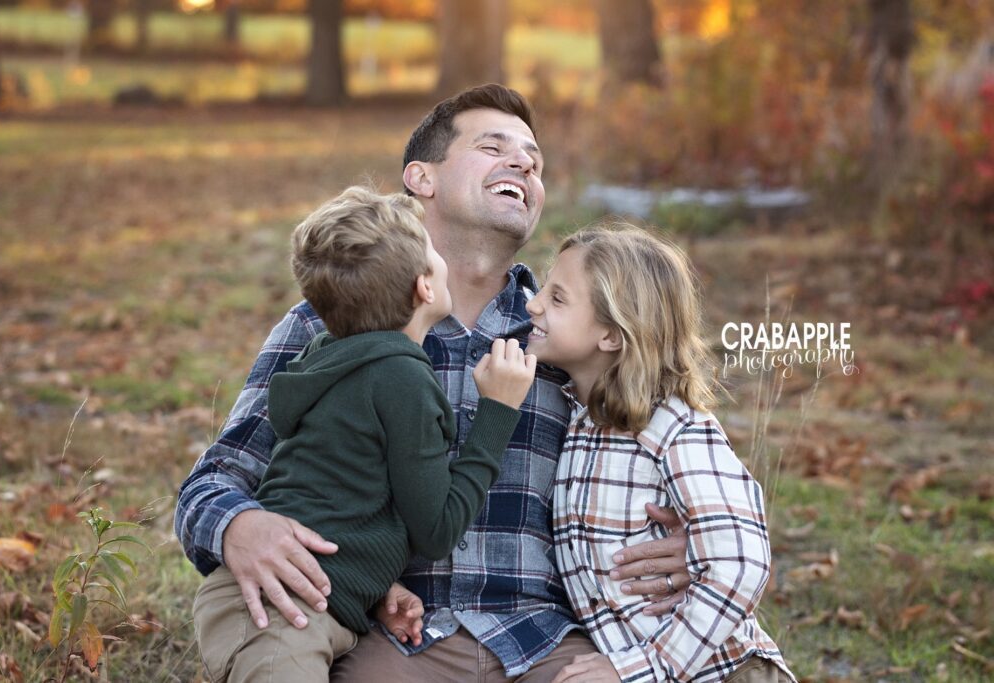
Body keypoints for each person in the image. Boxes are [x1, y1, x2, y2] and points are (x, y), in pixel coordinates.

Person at [175, 84, 693, 680]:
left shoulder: (575, 333)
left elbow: (680, 465)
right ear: (421, 179)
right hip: (396, 634)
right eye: (493, 147)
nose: (523, 164)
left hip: (542, 636)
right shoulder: (331, 324)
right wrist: (237, 525)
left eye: (534, 160)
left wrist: (692, 547)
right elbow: (215, 479)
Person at [191, 186, 537, 681]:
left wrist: (370, 586)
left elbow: (340, 496)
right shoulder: (402, 378)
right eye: (433, 252)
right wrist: (497, 414)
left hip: (310, 604)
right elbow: (437, 530)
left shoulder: (327, 358)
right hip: (280, 608)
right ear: (424, 286)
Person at [522, 226, 795, 683]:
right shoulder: (576, 422)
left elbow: (741, 563)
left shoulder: (674, 428)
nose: (533, 304)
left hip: (725, 672)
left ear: (611, 335)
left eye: (558, 298)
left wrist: (643, 667)